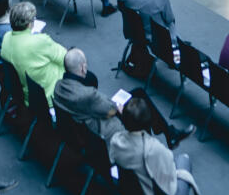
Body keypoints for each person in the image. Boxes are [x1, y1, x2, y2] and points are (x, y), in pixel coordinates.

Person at [53, 48, 192, 146]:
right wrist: (116, 107)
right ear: (83, 68)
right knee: (139, 101)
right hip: (101, 129)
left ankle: (167, 133)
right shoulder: (89, 95)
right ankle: (161, 137)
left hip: (80, 126)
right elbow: (111, 109)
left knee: (137, 93)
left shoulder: (58, 87)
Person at [109, 94, 198, 195]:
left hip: (129, 189)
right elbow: (169, 176)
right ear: (149, 121)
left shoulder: (116, 139)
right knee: (183, 159)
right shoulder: (155, 149)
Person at [0, 2, 66, 106]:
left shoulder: (6, 37)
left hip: (25, 93)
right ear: (29, 24)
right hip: (49, 95)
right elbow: (65, 57)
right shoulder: (40, 41)